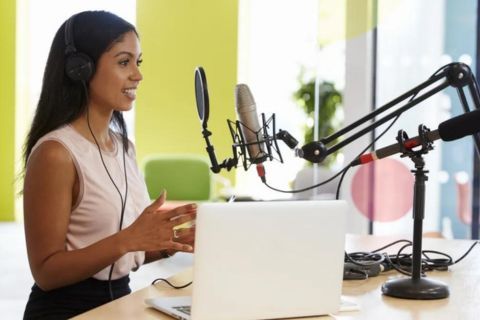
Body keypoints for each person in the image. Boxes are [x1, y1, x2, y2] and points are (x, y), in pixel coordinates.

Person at [22, 11, 197, 319]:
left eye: (138, 62)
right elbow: (46, 272)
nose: (138, 75)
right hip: (66, 311)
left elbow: (119, 256)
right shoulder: (56, 153)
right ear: (81, 69)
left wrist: (170, 243)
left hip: (119, 305)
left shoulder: (124, 148)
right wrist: (128, 239)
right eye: (123, 62)